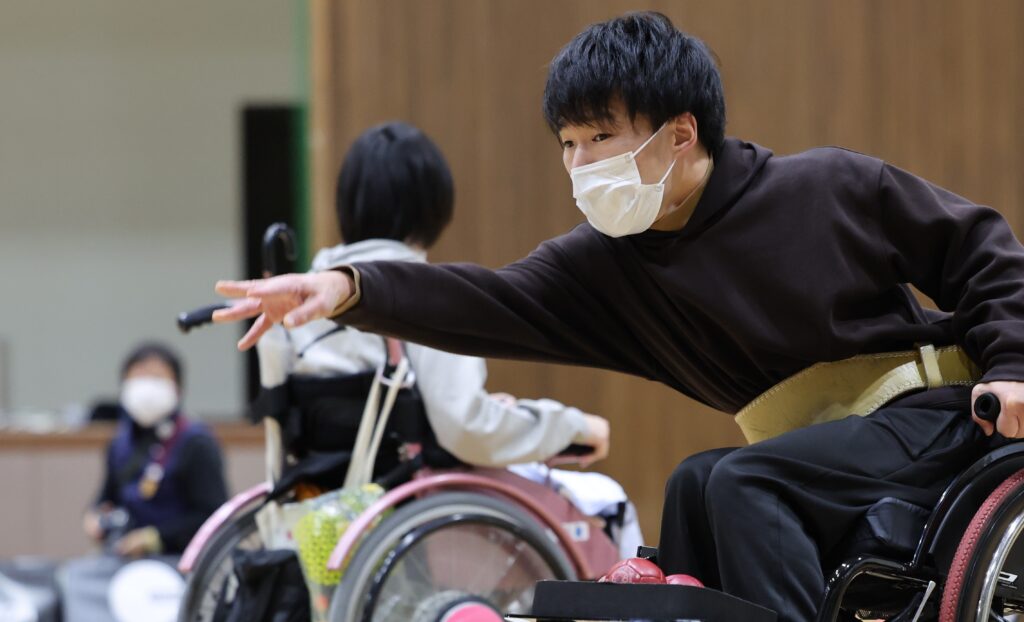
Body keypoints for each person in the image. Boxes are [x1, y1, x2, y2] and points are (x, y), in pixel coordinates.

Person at [211, 12, 1024, 621]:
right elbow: (487, 297)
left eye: (600, 136)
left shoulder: (826, 186)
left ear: (681, 134)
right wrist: (351, 289)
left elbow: (981, 248)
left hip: (927, 415)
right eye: (568, 143)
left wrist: (1013, 365)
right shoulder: (606, 263)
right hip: (809, 447)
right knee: (694, 481)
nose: (580, 164)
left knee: (743, 482)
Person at [255, 121, 610, 469]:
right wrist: (572, 425)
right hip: (409, 488)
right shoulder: (424, 295)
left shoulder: (298, 298)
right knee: (603, 498)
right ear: (435, 207)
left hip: (316, 494)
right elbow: (467, 428)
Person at [82, 343, 228, 556]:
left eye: (157, 378)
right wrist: (94, 516)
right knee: (75, 573)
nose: (147, 389)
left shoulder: (196, 442)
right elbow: (107, 498)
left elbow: (212, 515)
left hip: (178, 557)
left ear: (177, 388)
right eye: (139, 378)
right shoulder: (120, 442)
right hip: (123, 552)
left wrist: (154, 538)